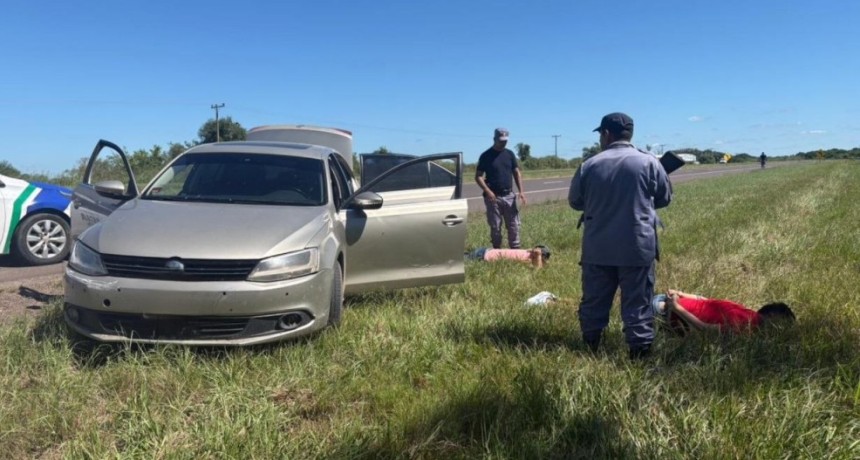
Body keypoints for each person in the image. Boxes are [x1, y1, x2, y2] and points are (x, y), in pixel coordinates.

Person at [568, 112, 673, 359]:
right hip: (637, 245)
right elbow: (664, 198)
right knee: (637, 301)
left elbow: (575, 202)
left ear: (606, 134)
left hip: (598, 246)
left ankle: (591, 346)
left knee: (594, 299)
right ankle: (639, 351)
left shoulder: (589, 165)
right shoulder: (648, 162)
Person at [652, 289, 795, 333]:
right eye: (781, 324)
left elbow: (706, 300)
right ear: (771, 316)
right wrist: (677, 308)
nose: (779, 331)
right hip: (664, 314)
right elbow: (705, 328)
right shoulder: (747, 325)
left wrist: (680, 293)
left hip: (664, 301)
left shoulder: (744, 310)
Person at [475, 128, 527, 249]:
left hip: (509, 195)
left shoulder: (509, 154)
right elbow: (478, 176)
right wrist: (488, 192)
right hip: (493, 198)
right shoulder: (486, 156)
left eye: (505, 140)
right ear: (494, 139)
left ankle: (515, 250)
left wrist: (521, 191)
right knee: (495, 226)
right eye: (501, 140)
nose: (503, 143)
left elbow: (516, 172)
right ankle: (497, 250)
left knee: (513, 225)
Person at [466, 245, 550, 268]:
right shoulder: (528, 257)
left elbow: (538, 267)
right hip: (483, 255)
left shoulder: (528, 258)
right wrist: (538, 255)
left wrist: (538, 255)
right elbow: (538, 269)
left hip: (485, 253)